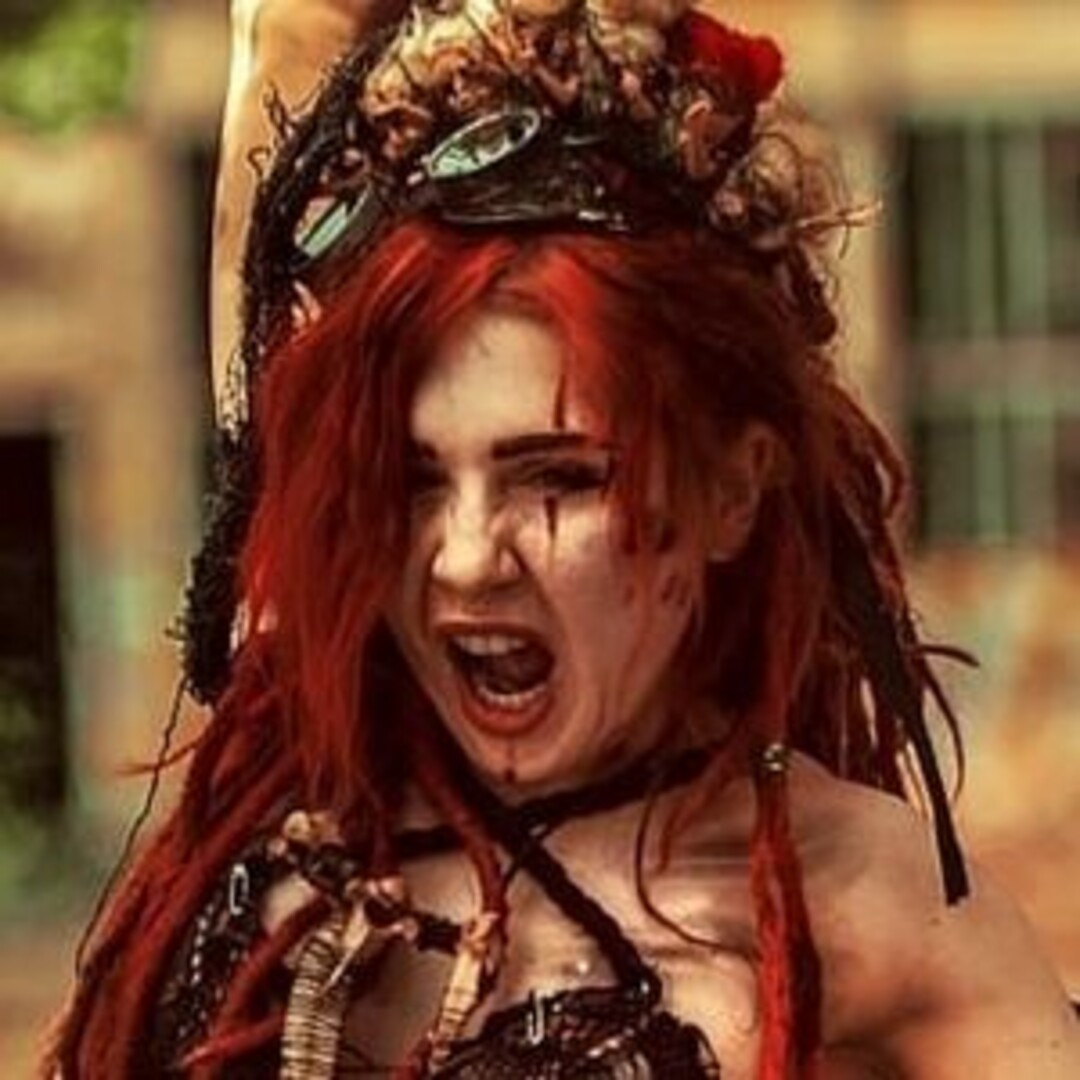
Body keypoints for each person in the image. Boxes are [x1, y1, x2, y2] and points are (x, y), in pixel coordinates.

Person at [48, 0, 1080, 1077]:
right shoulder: (284, 854)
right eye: (412, 480)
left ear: (734, 490)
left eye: (558, 477)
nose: (466, 559)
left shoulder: (861, 903)